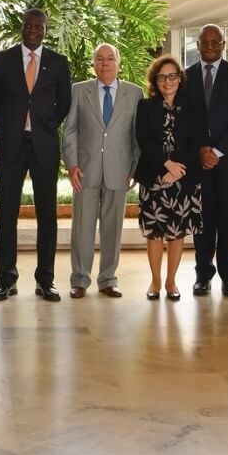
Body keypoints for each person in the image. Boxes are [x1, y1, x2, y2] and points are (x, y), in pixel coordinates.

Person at [0, 8, 72, 301]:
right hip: (11, 145)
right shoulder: (3, 60)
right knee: (6, 213)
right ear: (21, 27)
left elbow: (64, 104)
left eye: (40, 26)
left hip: (44, 146)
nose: (34, 30)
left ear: (46, 29)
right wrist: (12, 124)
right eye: (29, 25)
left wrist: (44, 125)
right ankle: (6, 279)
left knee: (47, 215)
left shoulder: (59, 63)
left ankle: (45, 280)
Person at [63, 43, 142, 299]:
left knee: (113, 226)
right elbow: (70, 129)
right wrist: (72, 163)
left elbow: (137, 134)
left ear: (118, 63)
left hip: (119, 169)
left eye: (110, 59)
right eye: (100, 59)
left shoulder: (134, 93)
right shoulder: (79, 90)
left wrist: (135, 167)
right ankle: (80, 279)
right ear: (94, 63)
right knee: (82, 226)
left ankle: (108, 279)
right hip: (85, 170)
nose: (105, 63)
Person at [185, 24, 228, 297]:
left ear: (223, 45)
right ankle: (203, 275)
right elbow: (184, 119)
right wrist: (201, 149)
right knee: (203, 221)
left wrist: (217, 151)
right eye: (205, 42)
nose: (210, 46)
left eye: (216, 42)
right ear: (197, 45)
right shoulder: (185, 77)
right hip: (198, 162)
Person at [134, 55, 200, 301]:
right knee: (155, 232)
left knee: (177, 232)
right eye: (162, 77)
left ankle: (171, 281)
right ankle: (155, 280)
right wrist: (166, 165)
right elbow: (143, 140)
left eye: (172, 76)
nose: (167, 81)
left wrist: (177, 169)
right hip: (154, 177)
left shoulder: (192, 105)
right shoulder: (145, 106)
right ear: (155, 81)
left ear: (179, 78)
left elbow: (195, 141)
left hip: (183, 178)